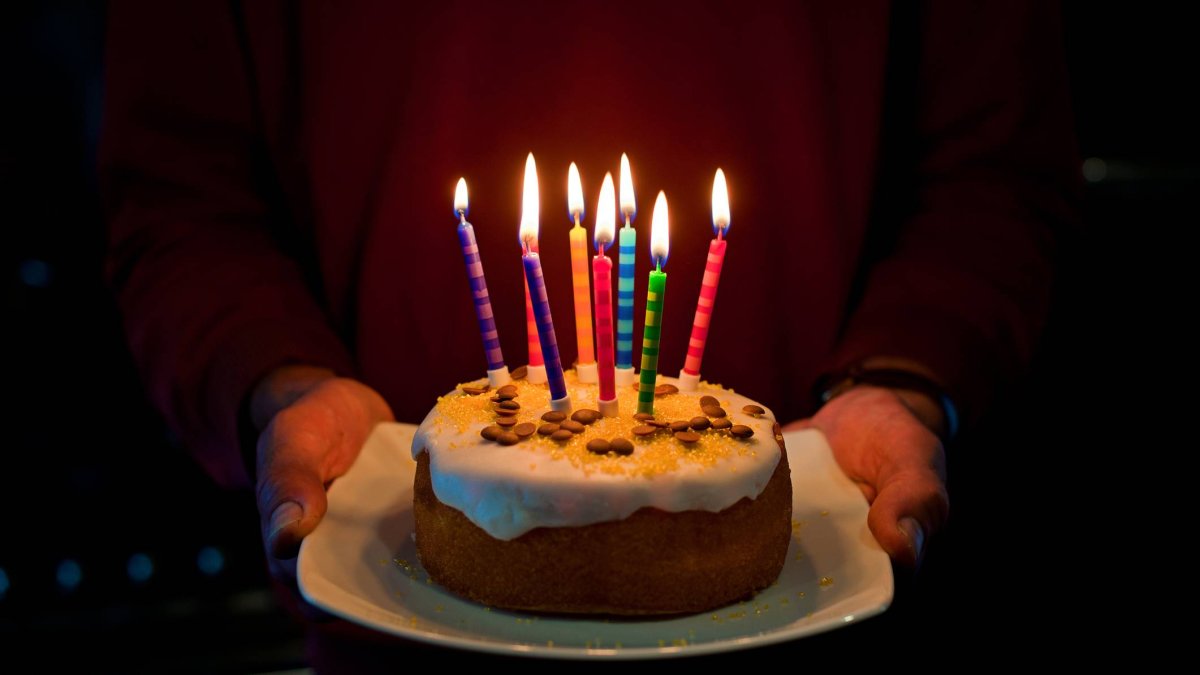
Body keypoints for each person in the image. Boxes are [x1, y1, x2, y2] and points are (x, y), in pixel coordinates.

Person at [99, 0, 1079, 668]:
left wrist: (910, 371)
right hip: (390, 635)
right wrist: (276, 377)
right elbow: (178, 195)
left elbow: (998, 167)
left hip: (821, 625)